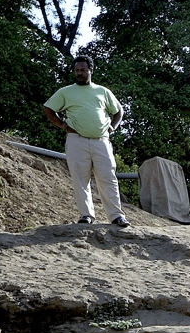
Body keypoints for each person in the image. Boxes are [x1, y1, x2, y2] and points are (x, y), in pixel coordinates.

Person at [42, 53, 129, 228]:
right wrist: (62, 125)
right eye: (77, 70)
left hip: (101, 140)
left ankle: (117, 216)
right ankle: (86, 215)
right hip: (76, 140)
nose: (79, 73)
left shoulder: (102, 91)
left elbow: (118, 111)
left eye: (83, 70)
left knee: (108, 177)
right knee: (80, 179)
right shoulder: (66, 91)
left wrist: (112, 127)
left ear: (91, 70)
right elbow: (48, 108)